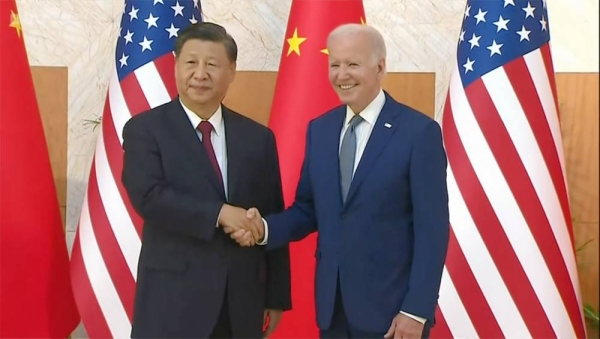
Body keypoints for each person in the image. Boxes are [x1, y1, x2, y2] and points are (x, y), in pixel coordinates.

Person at [228, 23, 449, 338]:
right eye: (335, 64)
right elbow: (308, 209)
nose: (342, 74)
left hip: (393, 316)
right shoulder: (321, 130)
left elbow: (433, 231)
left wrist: (416, 311)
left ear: (380, 67)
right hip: (333, 311)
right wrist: (263, 229)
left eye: (353, 64)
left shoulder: (419, 133)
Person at [121, 22, 291, 338]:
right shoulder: (145, 130)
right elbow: (149, 195)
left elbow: (272, 216)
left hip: (240, 302)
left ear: (231, 71)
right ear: (176, 67)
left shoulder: (258, 138)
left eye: (212, 64)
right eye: (191, 63)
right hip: (171, 301)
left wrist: (276, 296)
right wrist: (219, 213)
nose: (200, 73)